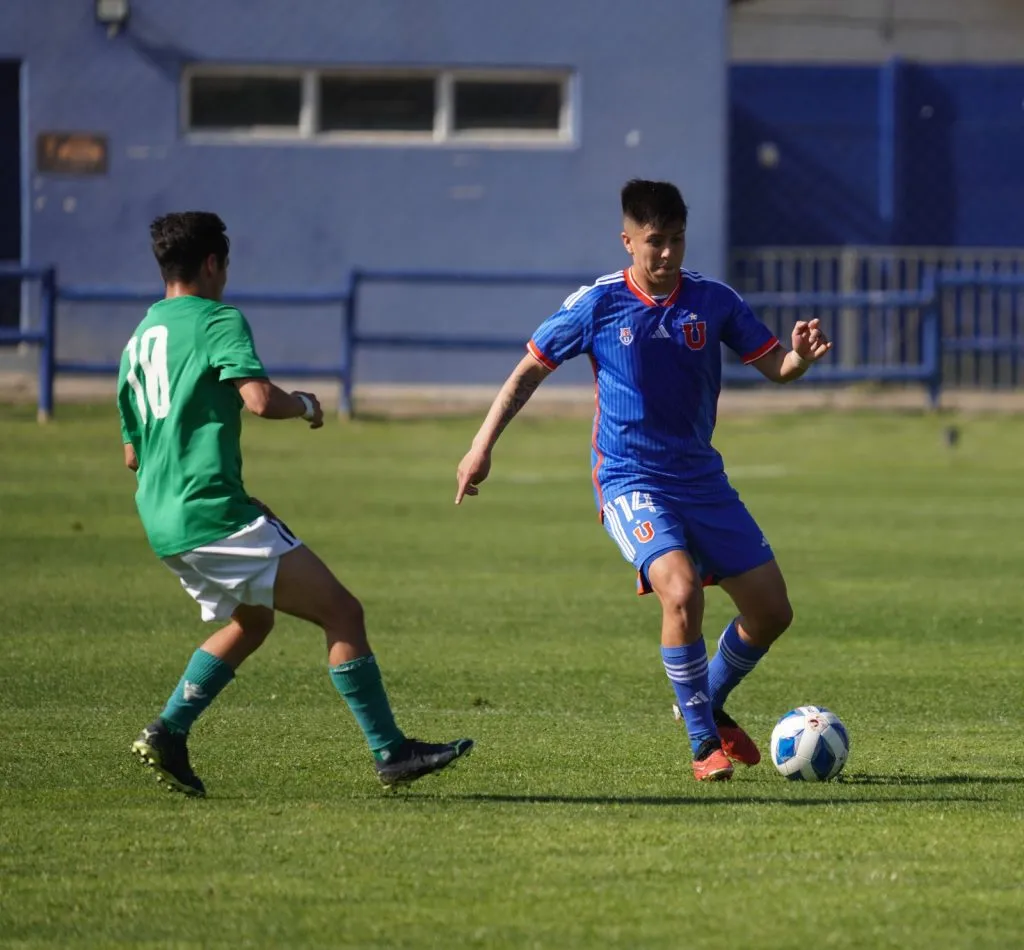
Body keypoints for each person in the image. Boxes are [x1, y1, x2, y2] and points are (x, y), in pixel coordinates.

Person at [455, 180, 831, 782]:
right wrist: (481, 445)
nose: (666, 254)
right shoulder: (599, 304)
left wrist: (801, 359)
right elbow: (529, 370)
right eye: (654, 242)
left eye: (677, 240)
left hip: (701, 479)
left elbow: (775, 368)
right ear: (627, 240)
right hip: (629, 478)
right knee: (681, 592)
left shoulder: (714, 302)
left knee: (772, 611)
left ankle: (704, 698)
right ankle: (703, 743)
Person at [119, 211, 472, 797]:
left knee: (252, 622)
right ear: (212, 265)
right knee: (343, 612)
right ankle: (392, 753)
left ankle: (169, 731)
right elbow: (258, 400)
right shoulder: (216, 319)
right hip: (211, 514)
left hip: (164, 520)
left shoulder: (137, 342)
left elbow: (135, 455)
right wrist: (305, 404)